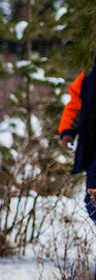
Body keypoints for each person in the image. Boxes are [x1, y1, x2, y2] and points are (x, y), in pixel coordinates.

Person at [58, 63, 96, 222]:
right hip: (93, 147)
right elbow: (76, 104)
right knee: (92, 201)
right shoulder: (89, 73)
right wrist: (67, 130)